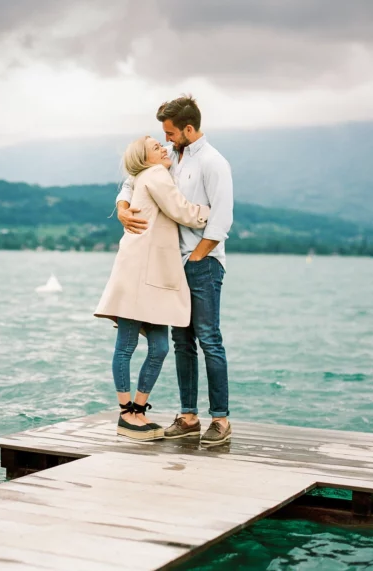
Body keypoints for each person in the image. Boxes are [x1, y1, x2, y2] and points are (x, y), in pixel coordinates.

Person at [116, 96, 234, 447]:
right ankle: (188, 416)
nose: (166, 139)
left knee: (209, 340)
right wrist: (122, 208)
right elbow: (131, 181)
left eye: (171, 133)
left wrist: (196, 259)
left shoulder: (214, 163)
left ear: (188, 128)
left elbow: (221, 220)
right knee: (182, 343)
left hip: (202, 263)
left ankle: (221, 419)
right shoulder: (169, 160)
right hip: (171, 266)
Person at [95, 136, 210, 441]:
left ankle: (138, 411)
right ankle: (125, 415)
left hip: (153, 274)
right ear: (146, 159)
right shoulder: (156, 174)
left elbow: (129, 184)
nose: (162, 146)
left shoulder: (153, 170)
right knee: (127, 344)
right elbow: (181, 210)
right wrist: (215, 215)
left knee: (159, 347)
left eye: (161, 141)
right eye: (154, 146)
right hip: (138, 271)